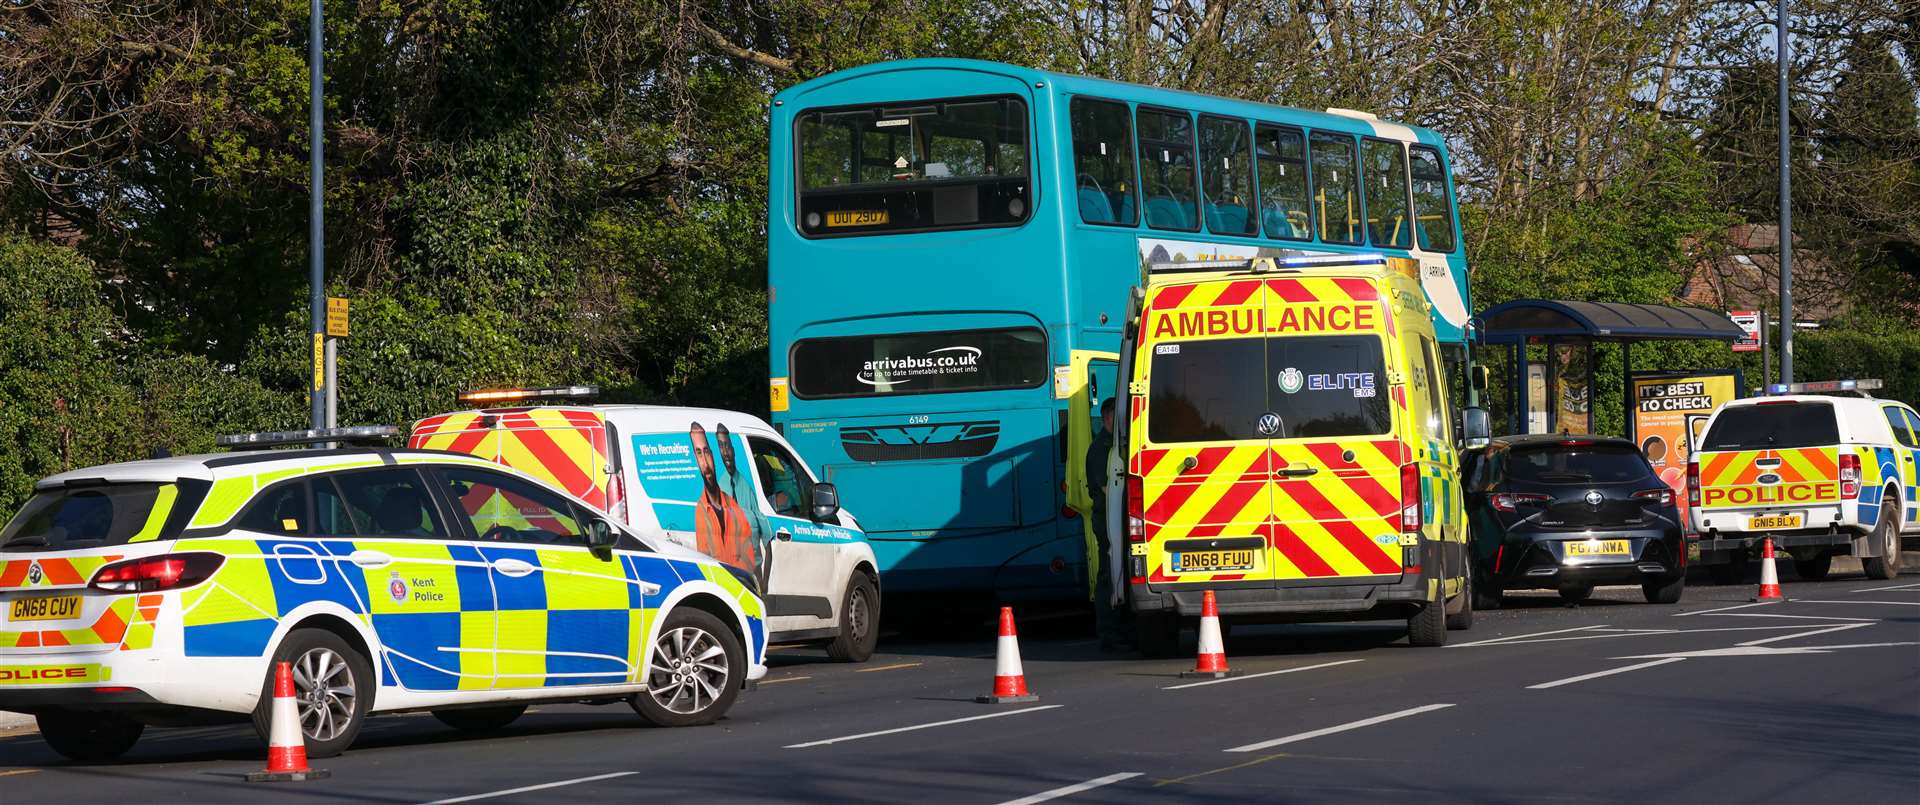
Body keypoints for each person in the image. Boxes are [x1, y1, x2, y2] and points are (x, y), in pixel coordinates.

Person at [1086, 398, 1132, 651]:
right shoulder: (1100, 449)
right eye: (1115, 417)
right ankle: (1109, 632)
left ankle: (1124, 628)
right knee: (1108, 573)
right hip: (1106, 519)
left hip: (1119, 517)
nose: (1119, 422)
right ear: (1106, 418)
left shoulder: (1117, 444)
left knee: (1122, 571)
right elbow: (1106, 488)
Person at [690, 422, 753, 570]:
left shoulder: (733, 505)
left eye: (706, 452)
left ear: (712, 454)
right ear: (695, 459)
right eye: (699, 453)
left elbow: (749, 557)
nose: (705, 463)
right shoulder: (699, 512)